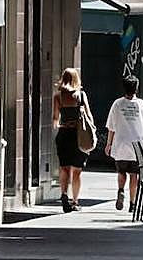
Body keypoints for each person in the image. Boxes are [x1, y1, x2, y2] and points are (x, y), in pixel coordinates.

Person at [104, 75, 143, 213]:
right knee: (134, 175)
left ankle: (120, 190)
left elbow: (111, 127)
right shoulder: (142, 104)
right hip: (137, 146)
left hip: (120, 144)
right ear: (136, 88)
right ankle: (132, 203)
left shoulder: (117, 104)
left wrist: (109, 144)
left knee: (121, 172)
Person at [52, 68, 92, 212]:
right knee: (77, 170)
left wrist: (59, 128)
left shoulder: (58, 96)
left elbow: (55, 118)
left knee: (64, 167)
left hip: (63, 134)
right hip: (78, 135)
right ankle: (75, 201)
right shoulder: (80, 95)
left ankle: (63, 194)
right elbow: (88, 115)